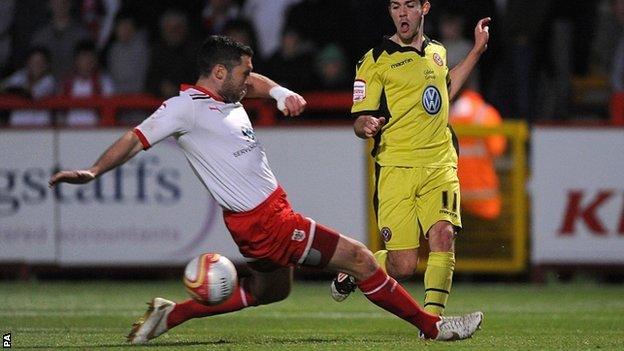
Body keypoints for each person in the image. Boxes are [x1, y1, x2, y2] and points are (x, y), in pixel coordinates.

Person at [48, 35, 483, 344]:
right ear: (218, 72)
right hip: (268, 221)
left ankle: (171, 314)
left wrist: (278, 92)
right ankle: (432, 327)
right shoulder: (183, 109)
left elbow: (254, 85)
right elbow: (133, 139)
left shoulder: (227, 95)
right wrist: (92, 171)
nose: (250, 78)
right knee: (360, 259)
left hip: (254, 220)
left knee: (271, 292)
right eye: (244, 72)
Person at [330, 0, 490, 318]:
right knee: (404, 265)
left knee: (443, 234)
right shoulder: (374, 60)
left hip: (440, 164)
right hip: (396, 167)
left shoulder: (438, 52)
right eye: (395, 7)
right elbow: (360, 120)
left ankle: (432, 322)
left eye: (409, 6)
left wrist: (475, 52)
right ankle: (355, 269)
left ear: (424, 8)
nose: (402, 13)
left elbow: (445, 89)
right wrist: (367, 125)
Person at [448, 86, 506, 220]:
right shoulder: (486, 114)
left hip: (451, 202)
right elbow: (498, 149)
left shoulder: (442, 115)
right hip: (483, 200)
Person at [1, 46, 56, 126]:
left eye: (40, 62)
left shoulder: (49, 80)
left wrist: (14, 89)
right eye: (33, 62)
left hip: (41, 127)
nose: (36, 65)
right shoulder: (20, 75)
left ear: (47, 65)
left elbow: (32, 94)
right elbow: (3, 87)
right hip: (17, 124)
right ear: (26, 63)